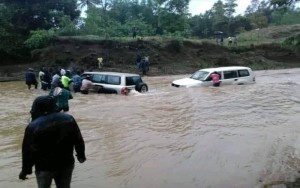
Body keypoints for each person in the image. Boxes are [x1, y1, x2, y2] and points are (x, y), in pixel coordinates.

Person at [19, 95, 86, 187]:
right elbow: (78, 139)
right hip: (66, 163)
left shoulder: (33, 126)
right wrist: (81, 156)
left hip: (44, 167)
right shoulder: (69, 119)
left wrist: (25, 170)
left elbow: (28, 151)